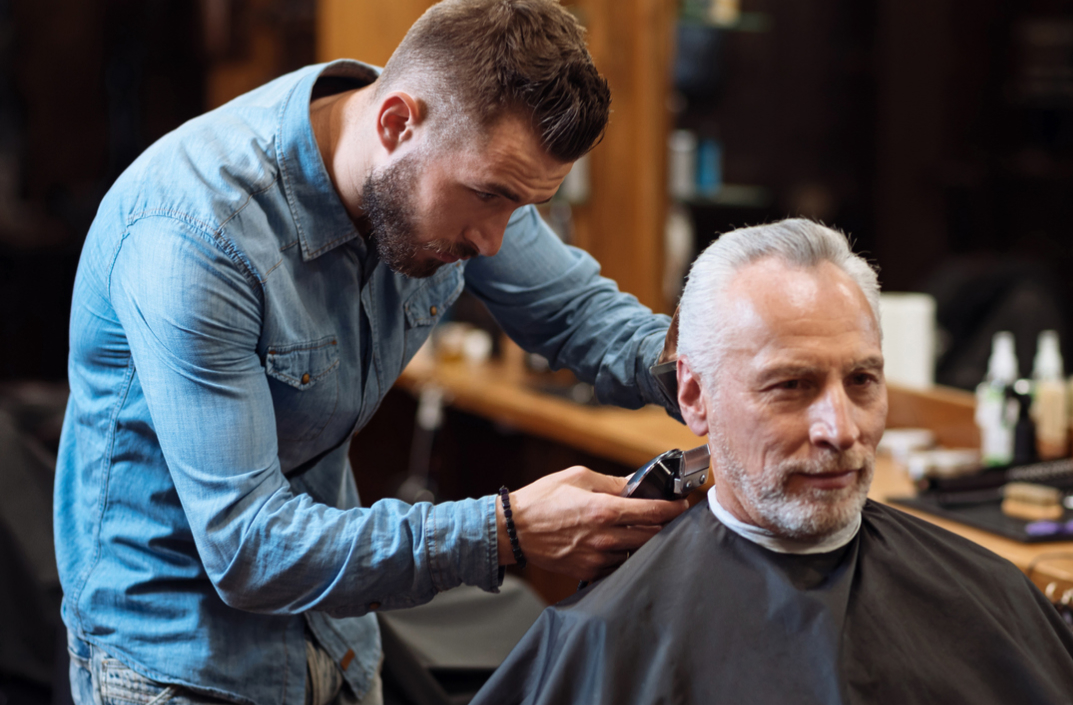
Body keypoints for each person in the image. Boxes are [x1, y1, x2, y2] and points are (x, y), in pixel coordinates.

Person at [54, 2, 688, 704]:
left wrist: (719, 370)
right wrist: (504, 531)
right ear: (396, 124)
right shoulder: (198, 234)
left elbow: (580, 314)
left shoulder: (452, 159)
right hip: (178, 663)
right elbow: (247, 547)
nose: (494, 241)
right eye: (490, 196)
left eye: (520, 204)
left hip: (336, 638)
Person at [471, 219, 1073, 705]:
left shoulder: (992, 600)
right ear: (693, 395)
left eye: (862, 381)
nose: (840, 429)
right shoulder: (604, 636)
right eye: (791, 386)